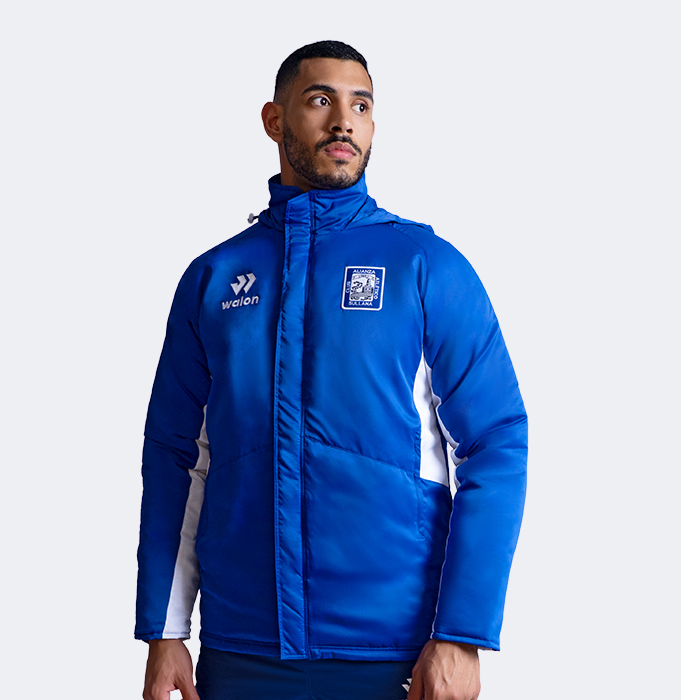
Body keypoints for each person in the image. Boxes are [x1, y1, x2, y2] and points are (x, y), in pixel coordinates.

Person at [136, 40, 527, 700]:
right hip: (241, 651)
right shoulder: (216, 277)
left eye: (361, 105)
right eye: (320, 100)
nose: (344, 121)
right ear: (274, 120)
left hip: (395, 651)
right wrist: (166, 631)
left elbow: (496, 444)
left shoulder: (425, 265)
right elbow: (177, 456)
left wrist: (461, 634)